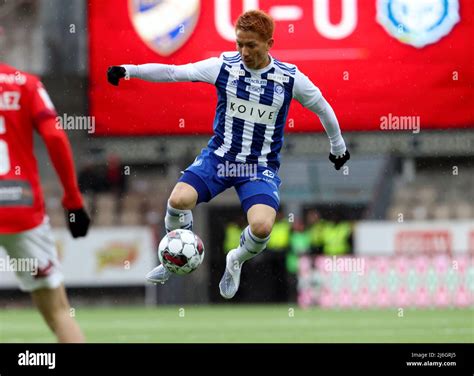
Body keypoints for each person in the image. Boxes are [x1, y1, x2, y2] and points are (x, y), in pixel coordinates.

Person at [107, 10, 350, 299]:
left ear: (269, 43)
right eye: (239, 44)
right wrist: (129, 69)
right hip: (220, 159)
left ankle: (235, 259)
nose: (244, 52)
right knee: (178, 200)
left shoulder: (289, 78)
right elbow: (175, 72)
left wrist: (338, 147)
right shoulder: (224, 67)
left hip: (258, 168)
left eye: (251, 45)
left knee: (261, 228)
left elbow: (322, 107)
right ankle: (170, 261)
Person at [0, 63, 90, 342]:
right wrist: (73, 200)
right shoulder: (24, 83)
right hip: (20, 205)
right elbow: (54, 135)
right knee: (59, 312)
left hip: (22, 211)